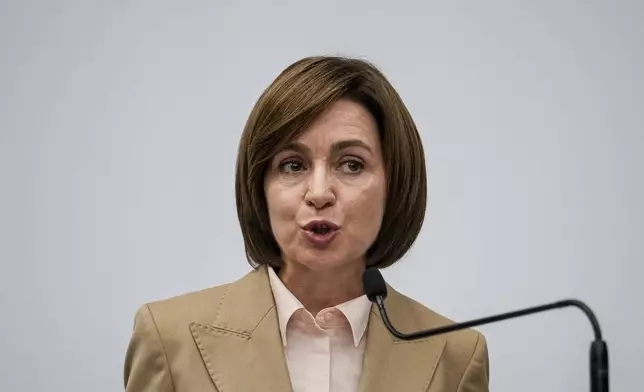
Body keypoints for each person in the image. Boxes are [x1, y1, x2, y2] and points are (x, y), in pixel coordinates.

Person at [123, 55, 490, 392]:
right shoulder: (169, 340)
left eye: (351, 164)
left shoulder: (454, 355)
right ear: (259, 186)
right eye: (292, 165)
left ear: (394, 186)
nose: (318, 193)